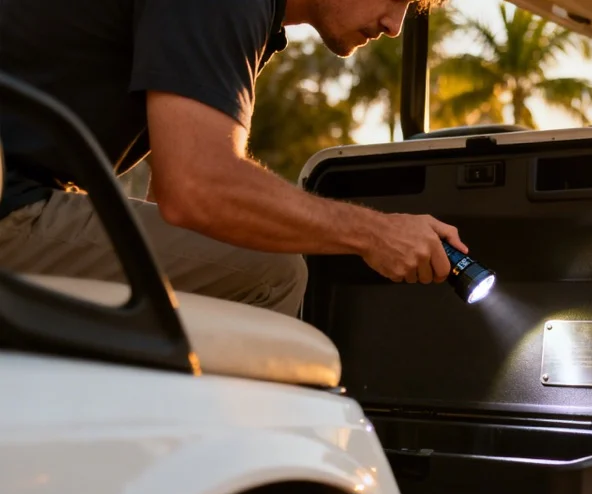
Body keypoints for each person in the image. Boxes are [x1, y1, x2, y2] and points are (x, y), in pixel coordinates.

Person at [0, 0, 465, 317]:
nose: (395, 25)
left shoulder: (248, 19)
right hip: (10, 199)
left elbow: (178, 204)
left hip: (18, 190)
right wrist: (376, 234)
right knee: (273, 273)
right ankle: (192, 454)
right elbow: (197, 189)